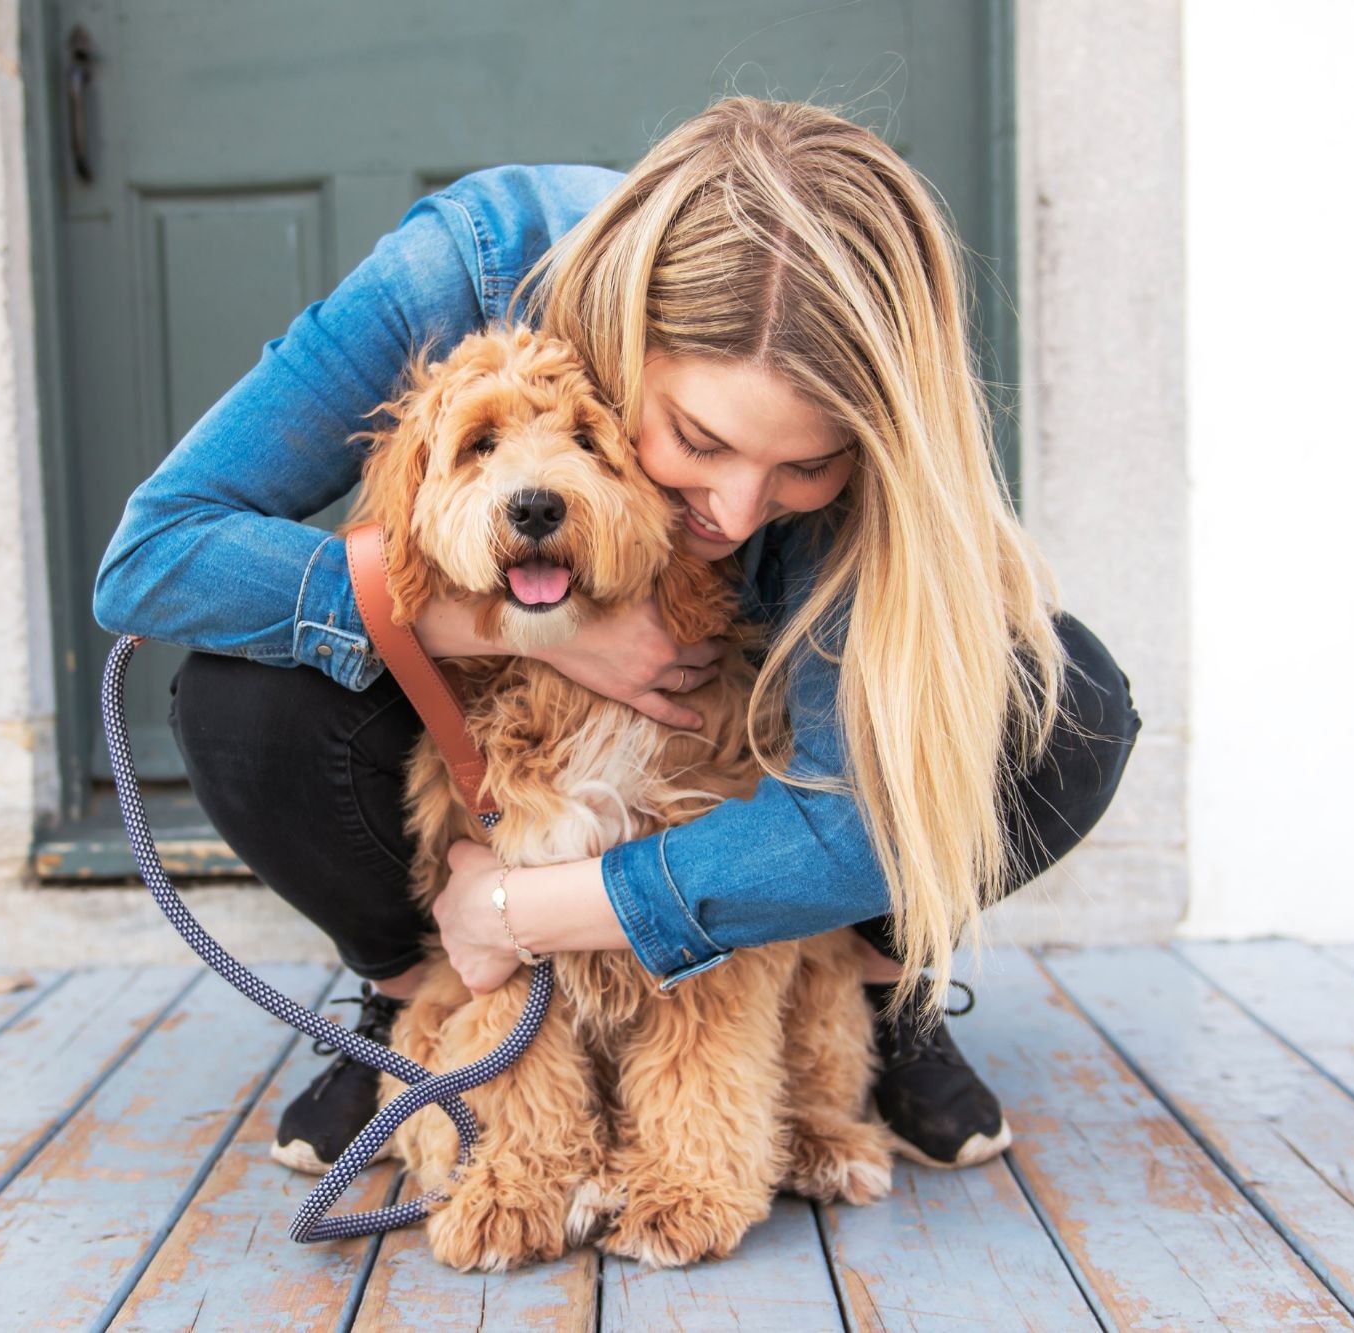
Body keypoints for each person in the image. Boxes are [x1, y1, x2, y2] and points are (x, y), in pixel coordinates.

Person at [93, 97, 1140, 1178]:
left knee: (1058, 705)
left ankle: (875, 988)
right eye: (697, 438)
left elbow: (846, 823)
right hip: (500, 726)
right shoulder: (463, 269)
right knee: (240, 704)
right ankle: (419, 997)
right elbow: (154, 557)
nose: (736, 512)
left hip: (724, 760)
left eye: (803, 467)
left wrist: (519, 907)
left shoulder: (863, 467)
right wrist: (527, 629)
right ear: (628, 335)